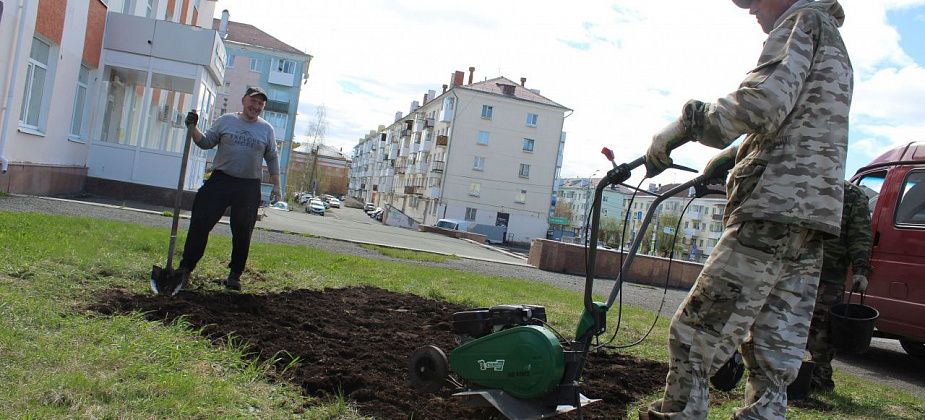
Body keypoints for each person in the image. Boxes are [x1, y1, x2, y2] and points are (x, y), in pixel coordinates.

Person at [640, 0, 853, 419]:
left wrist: (684, 125)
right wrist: (736, 155)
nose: (750, 10)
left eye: (753, 0)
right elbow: (796, 121)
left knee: (695, 336)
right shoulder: (832, 38)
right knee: (775, 351)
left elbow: (762, 104)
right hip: (810, 219)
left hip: (770, 211)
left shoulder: (801, 21)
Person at [176, 86, 280, 291]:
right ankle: (185, 269)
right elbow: (205, 143)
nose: (256, 106)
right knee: (200, 223)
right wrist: (192, 127)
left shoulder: (266, 129)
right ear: (243, 100)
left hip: (249, 186)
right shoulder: (226, 121)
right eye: (253, 101)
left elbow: (273, 158)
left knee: (243, 232)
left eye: (260, 103)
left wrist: (277, 187)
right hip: (221, 181)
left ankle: (234, 275)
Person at [806, 181, 871, 392]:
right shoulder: (805, 181)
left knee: (821, 332)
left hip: (829, 274)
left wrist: (861, 270)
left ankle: (820, 379)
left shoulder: (852, 195)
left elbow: (860, 234)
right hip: (794, 269)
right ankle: (787, 374)